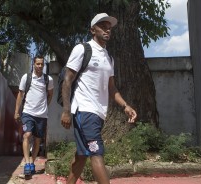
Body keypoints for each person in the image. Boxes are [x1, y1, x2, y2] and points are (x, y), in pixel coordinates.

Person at [60, 13, 137, 184]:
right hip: (85, 110)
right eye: (103, 26)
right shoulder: (83, 49)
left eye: (109, 27)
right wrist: (66, 110)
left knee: (81, 156)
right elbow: (67, 81)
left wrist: (125, 106)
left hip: (99, 113)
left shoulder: (108, 58)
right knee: (96, 152)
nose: (107, 29)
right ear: (92, 29)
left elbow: (111, 88)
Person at [14, 56, 54, 175]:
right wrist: (16, 111)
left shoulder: (48, 79)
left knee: (37, 140)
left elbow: (50, 94)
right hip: (28, 112)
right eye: (38, 64)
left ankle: (32, 162)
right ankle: (27, 163)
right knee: (27, 134)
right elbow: (20, 95)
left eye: (42, 64)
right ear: (33, 64)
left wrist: (45, 106)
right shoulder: (26, 77)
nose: (40, 66)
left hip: (42, 115)